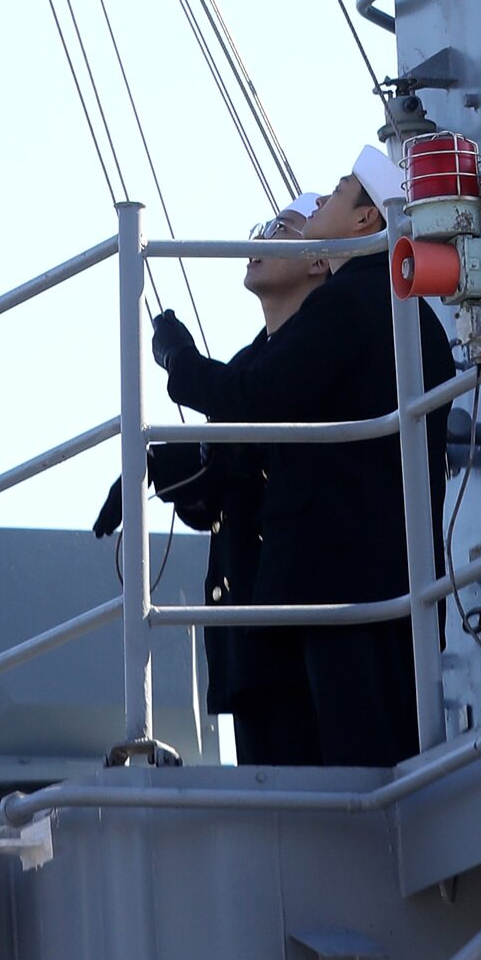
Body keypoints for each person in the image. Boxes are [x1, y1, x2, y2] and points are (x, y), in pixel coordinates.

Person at [154, 145, 456, 768]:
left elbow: (258, 395)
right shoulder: (407, 313)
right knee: (382, 765)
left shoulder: (349, 303)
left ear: (365, 222)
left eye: (337, 194)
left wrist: (179, 364)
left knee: (352, 780)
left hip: (341, 583)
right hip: (386, 581)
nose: (319, 202)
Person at [94, 194, 328, 763]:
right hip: (248, 627)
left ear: (322, 260)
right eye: (262, 227)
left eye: (282, 229)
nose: (261, 239)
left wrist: (177, 358)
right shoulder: (258, 359)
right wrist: (151, 466)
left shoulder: (316, 345)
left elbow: (249, 414)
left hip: (294, 625)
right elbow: (227, 460)